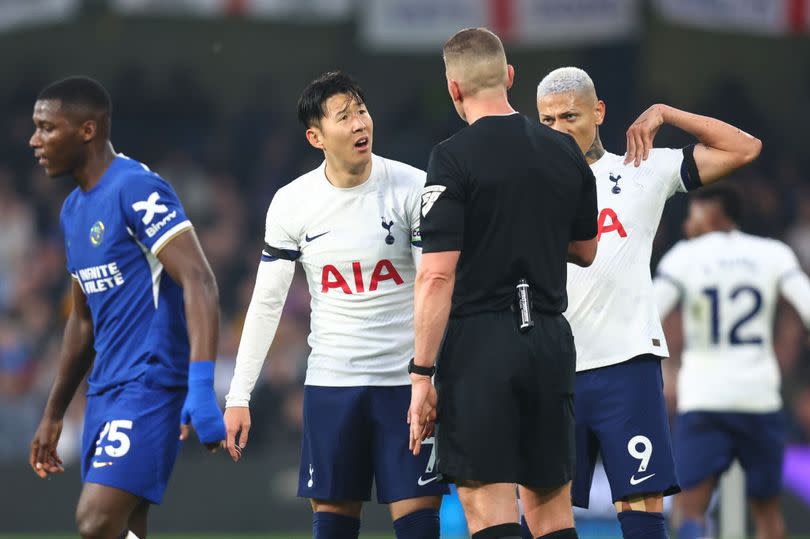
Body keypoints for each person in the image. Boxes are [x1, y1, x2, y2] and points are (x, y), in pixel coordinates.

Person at [535, 66, 762, 539]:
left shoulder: (642, 169)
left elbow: (745, 148)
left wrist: (666, 113)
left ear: (598, 112)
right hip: (551, 369)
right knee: (541, 519)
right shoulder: (525, 186)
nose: (557, 129)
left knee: (642, 518)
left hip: (627, 367)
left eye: (569, 116)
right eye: (547, 120)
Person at [223, 71, 447, 539]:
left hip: (403, 387)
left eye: (361, 111)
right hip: (332, 387)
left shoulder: (413, 187)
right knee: (333, 531)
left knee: (420, 530)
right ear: (315, 136)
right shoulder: (293, 203)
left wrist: (428, 375)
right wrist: (239, 396)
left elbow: (436, 282)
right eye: (343, 117)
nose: (360, 123)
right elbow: (266, 303)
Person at [408, 28, 599, 539]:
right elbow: (584, 250)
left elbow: (436, 275)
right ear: (510, 77)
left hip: (481, 343)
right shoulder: (565, 152)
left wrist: (421, 374)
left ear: (454, 89)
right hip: (550, 340)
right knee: (551, 511)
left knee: (488, 506)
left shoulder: (451, 158)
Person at [28, 76, 225, 539]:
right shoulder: (73, 210)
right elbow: (81, 321)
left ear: (88, 130)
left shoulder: (136, 188)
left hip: (151, 382)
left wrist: (201, 388)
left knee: (94, 521)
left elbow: (199, 279)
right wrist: (54, 413)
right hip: (104, 391)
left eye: (46, 128)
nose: (34, 140)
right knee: (123, 528)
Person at [654, 185, 810, 539]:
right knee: (768, 511)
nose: (687, 223)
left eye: (694, 213)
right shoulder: (773, 253)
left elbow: (648, 311)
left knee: (689, 506)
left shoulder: (683, 257)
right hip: (758, 396)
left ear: (715, 214)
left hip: (703, 397)